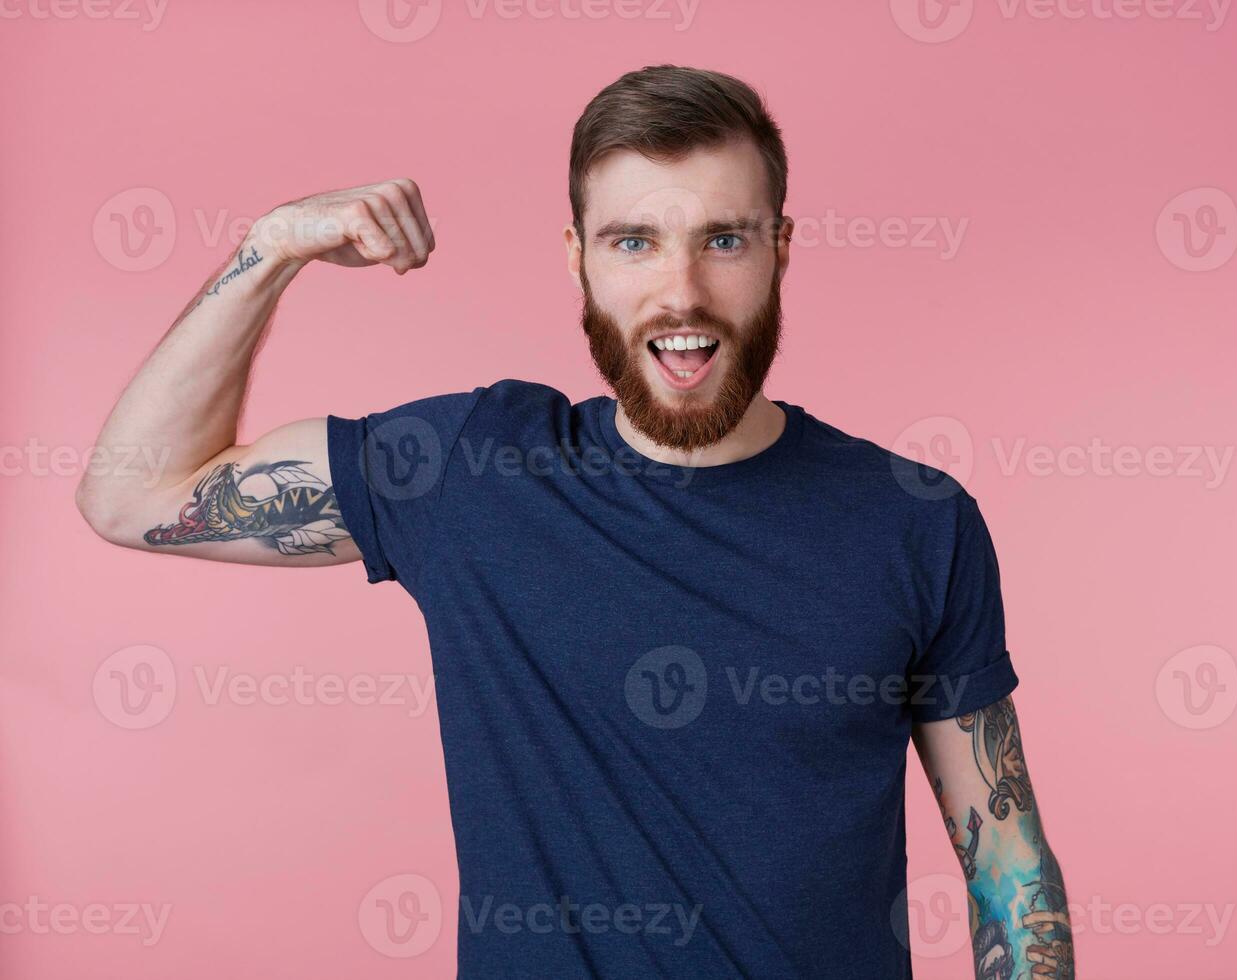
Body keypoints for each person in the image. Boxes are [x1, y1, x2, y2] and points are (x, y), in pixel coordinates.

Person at [76, 64, 1074, 979]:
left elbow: (1005, 863)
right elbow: (133, 494)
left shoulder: (912, 521)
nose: (680, 292)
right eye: (632, 241)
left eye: (721, 239)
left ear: (778, 247)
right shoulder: (469, 472)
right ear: (577, 258)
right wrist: (271, 247)